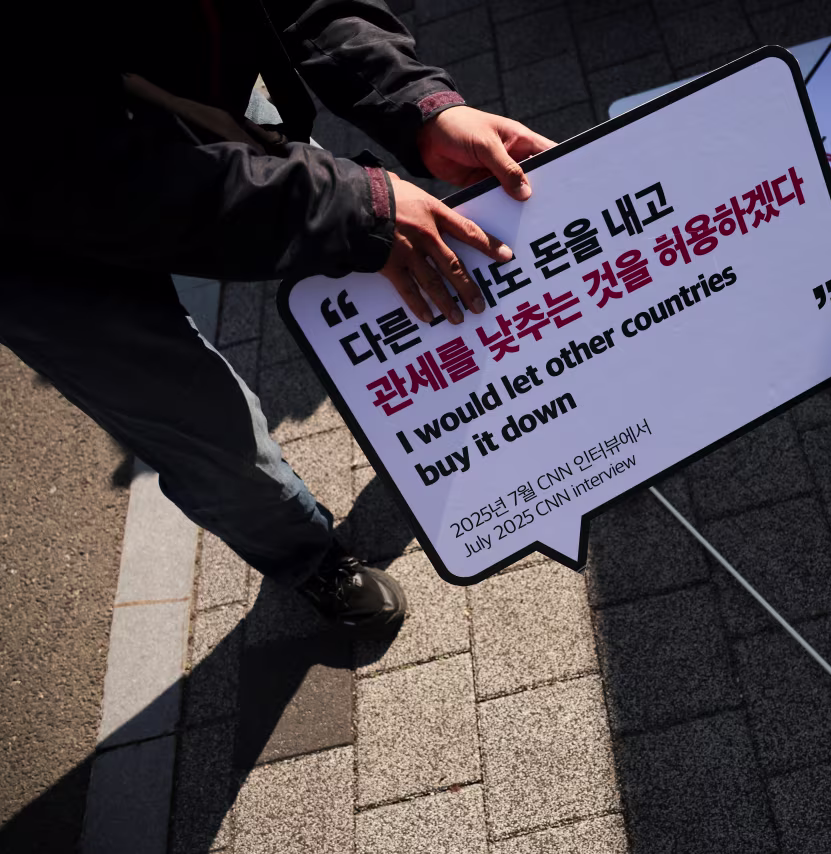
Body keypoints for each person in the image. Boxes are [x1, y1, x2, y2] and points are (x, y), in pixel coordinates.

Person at [0, 0, 554, 635]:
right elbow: (72, 177)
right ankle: (307, 554)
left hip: (178, 103)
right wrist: (348, 206)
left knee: (385, 245)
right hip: (29, 235)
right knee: (202, 430)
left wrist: (422, 106)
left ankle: (476, 414)